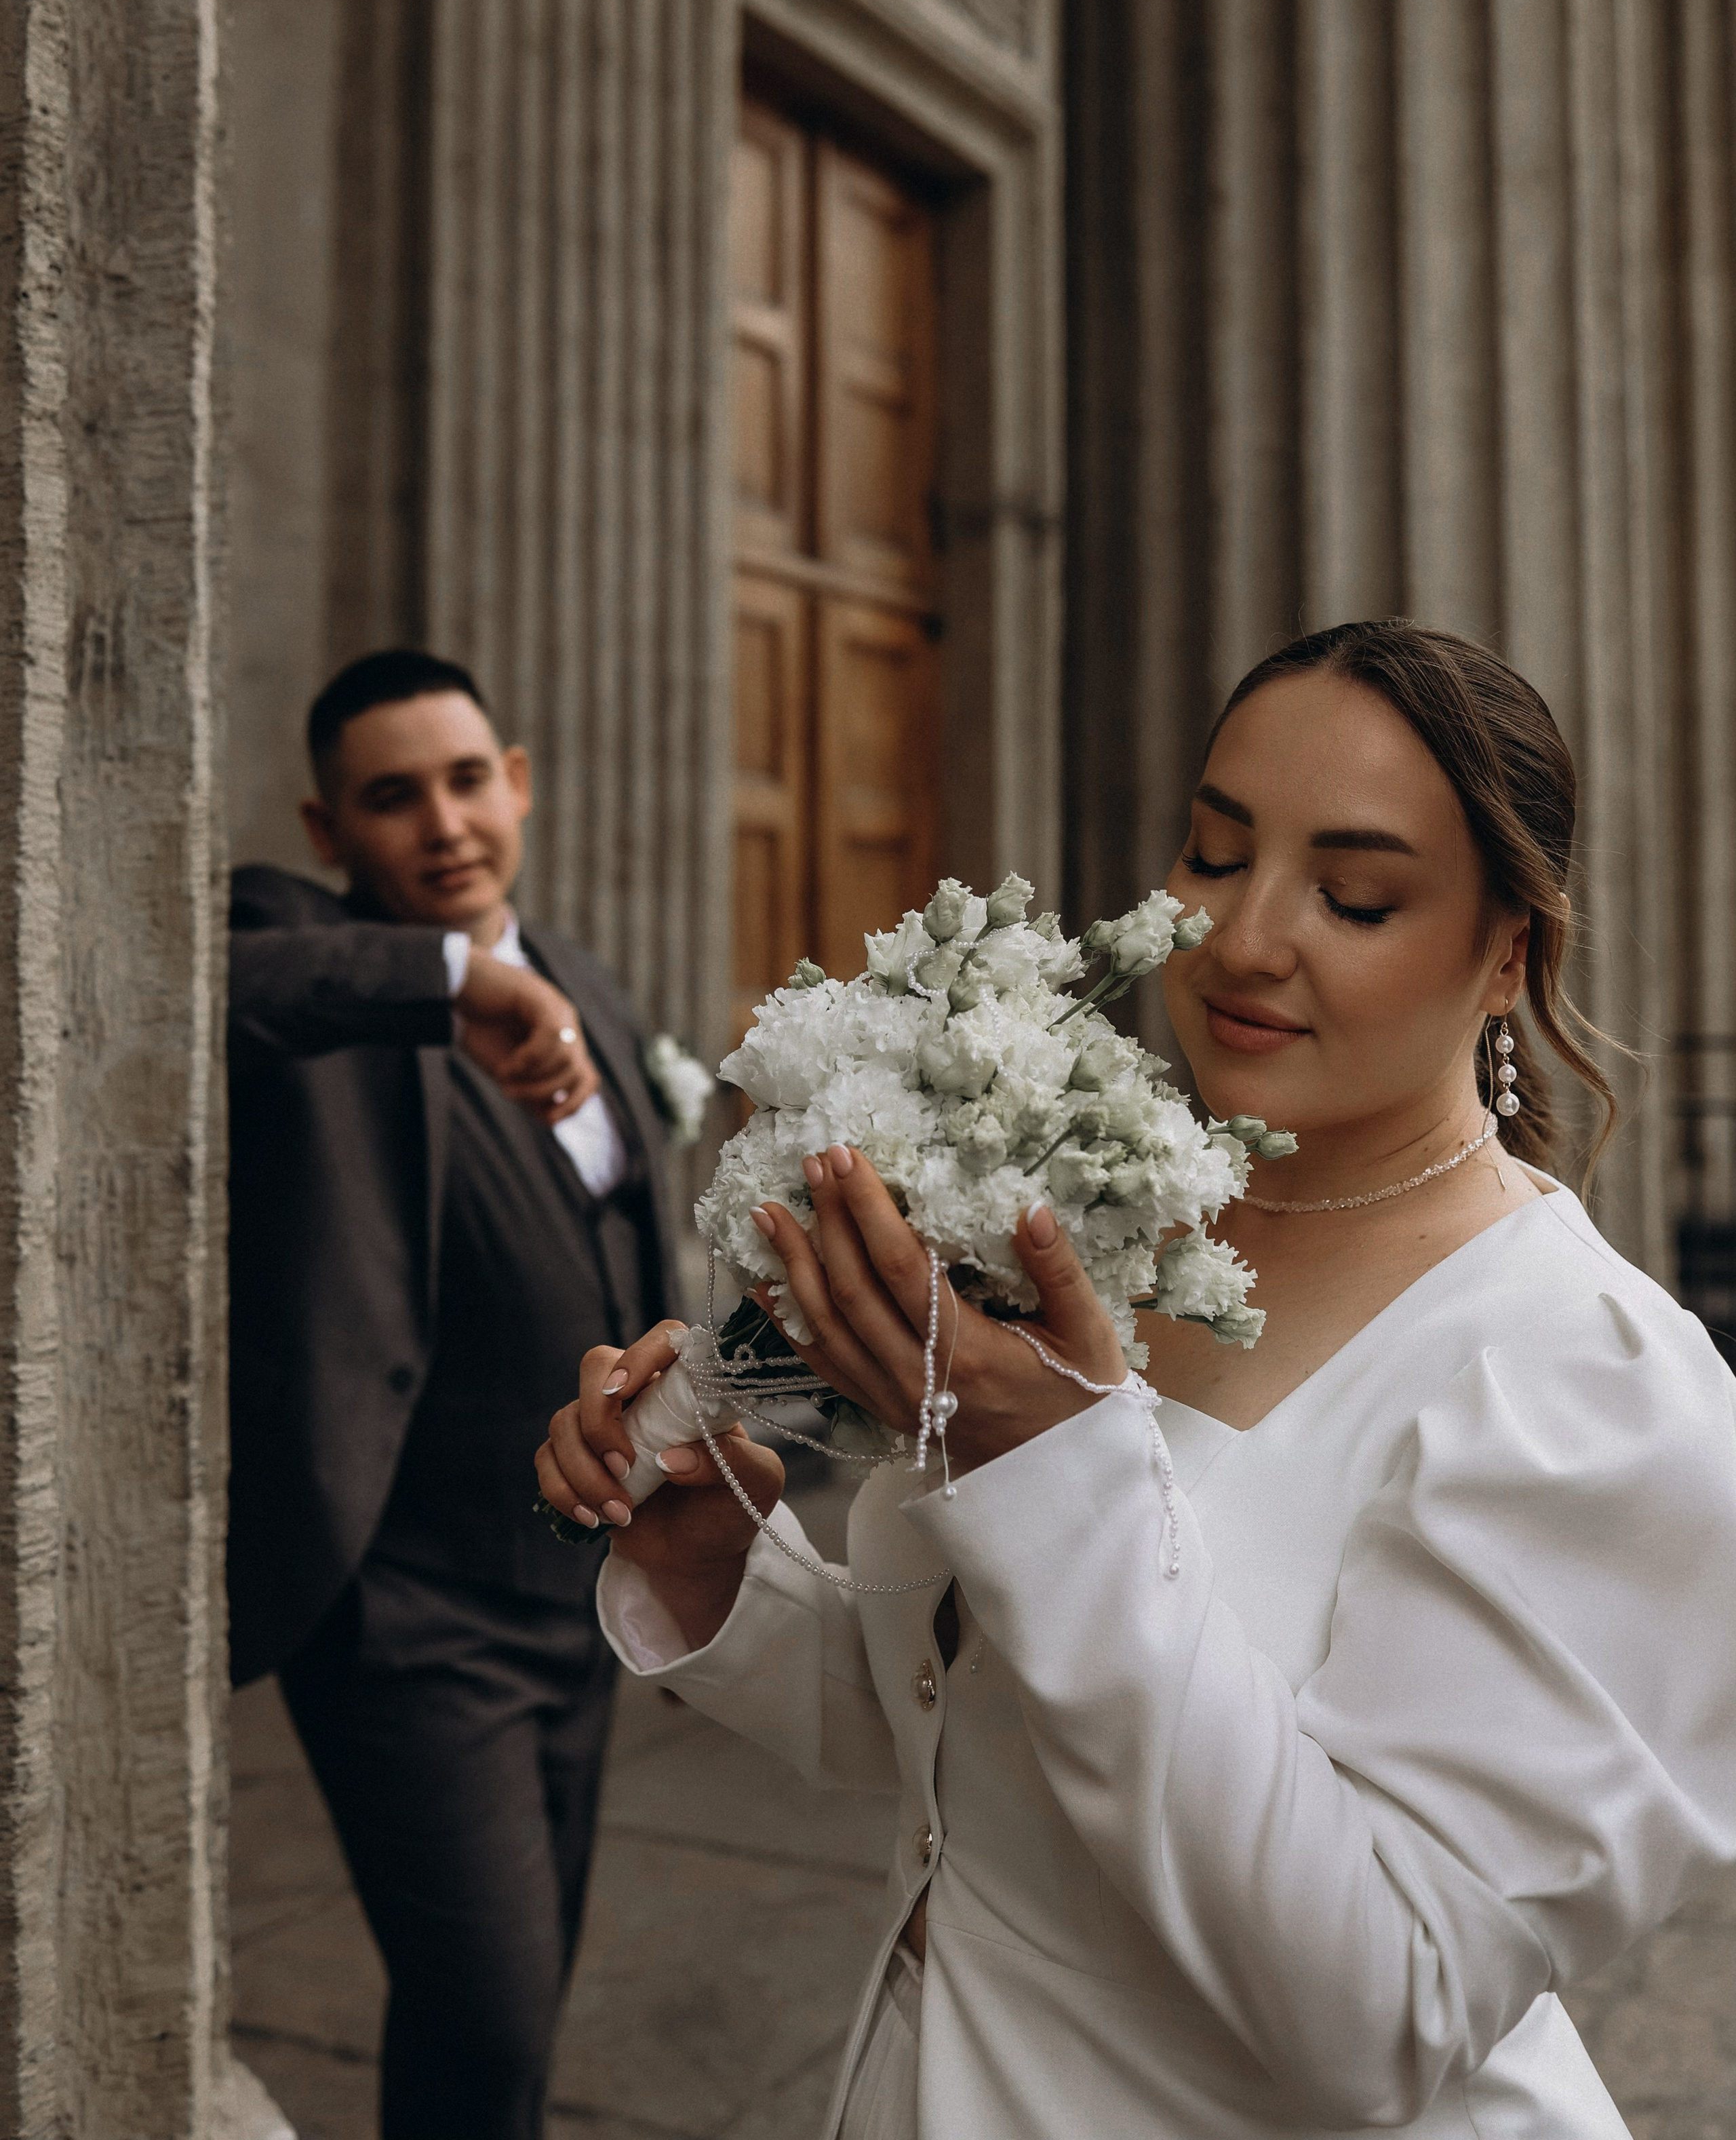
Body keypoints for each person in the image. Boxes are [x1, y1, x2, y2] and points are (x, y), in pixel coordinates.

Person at [538, 619, 1736, 2140]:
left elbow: (1377, 2011)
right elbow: (976, 1744)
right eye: (1213, 853)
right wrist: (722, 1570)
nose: (1240, 940)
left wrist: (1054, 1470)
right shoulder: (1099, 1232)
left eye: (1354, 896)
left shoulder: (1586, 1382)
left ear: (1509, 948)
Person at [229, 648, 677, 2140]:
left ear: (522, 783)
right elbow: (218, 987)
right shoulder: (306, 951)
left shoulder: (596, 989)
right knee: (483, 2018)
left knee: (515, 2018)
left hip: (580, 1596)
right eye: (391, 796)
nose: (442, 823)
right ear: (325, 829)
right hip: (410, 1617)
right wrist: (445, 980)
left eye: (468, 779)